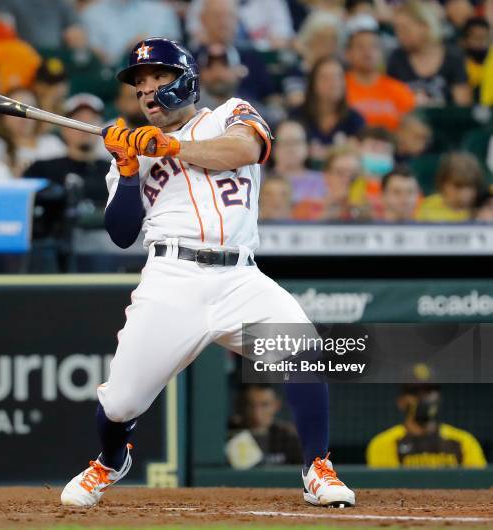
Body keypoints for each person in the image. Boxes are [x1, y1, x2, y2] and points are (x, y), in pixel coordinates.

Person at [60, 37, 355, 509]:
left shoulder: (230, 114)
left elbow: (243, 150)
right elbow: (120, 233)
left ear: (186, 80)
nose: (148, 93)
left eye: (159, 80)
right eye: (140, 87)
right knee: (119, 404)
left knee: (304, 349)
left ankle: (317, 467)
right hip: (172, 278)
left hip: (240, 276)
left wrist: (172, 145)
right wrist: (130, 169)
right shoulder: (135, 150)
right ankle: (111, 460)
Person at [23, 93, 110, 270]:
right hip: (53, 258)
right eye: (78, 121)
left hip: (107, 255)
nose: (85, 128)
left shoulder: (115, 170)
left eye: (92, 121)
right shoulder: (42, 169)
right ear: (64, 128)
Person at [366, 383, 487, 468]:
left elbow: (478, 486)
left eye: (429, 392)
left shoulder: (463, 440)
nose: (423, 398)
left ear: (439, 398)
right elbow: (388, 489)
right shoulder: (385, 442)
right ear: (401, 401)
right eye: (415, 392)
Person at [387, 0, 472, 107]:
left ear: (425, 27)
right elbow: (390, 102)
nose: (400, 35)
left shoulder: (453, 57)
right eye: (397, 30)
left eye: (405, 29)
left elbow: (462, 106)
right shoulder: (396, 58)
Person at [291, 56, 366, 166]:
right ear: (313, 83)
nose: (333, 83)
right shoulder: (297, 116)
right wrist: (338, 150)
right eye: (325, 78)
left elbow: (361, 154)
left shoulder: (355, 119)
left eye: (338, 77)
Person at [344, 17, 416, 131]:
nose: (367, 52)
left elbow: (412, 127)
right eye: (360, 46)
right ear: (347, 54)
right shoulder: (339, 88)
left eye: (374, 46)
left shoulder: (399, 90)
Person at [79, 0, 181, 66]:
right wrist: (127, 51)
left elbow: (177, 51)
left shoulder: (163, 11)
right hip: (113, 80)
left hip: (158, 72)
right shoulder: (91, 14)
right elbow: (95, 58)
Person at [0, 87, 66, 176]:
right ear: (3, 117)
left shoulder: (53, 143)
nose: (23, 118)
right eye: (14, 111)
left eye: (29, 110)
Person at [227, 384, 302, 466]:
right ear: (240, 406)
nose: (257, 414)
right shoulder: (229, 434)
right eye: (250, 405)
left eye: (264, 405)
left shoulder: (290, 437)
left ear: (276, 405)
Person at [292, 146, 367, 221]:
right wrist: (330, 208)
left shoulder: (372, 208)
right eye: (340, 172)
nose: (347, 178)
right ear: (327, 176)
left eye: (354, 173)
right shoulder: (307, 207)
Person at [0, 0, 86, 51]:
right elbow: (1, 28)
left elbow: (76, 33)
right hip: (21, 54)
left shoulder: (59, 3)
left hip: (56, 55)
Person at [416, 152, 485, 222]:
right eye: (458, 186)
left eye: (471, 186)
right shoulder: (428, 208)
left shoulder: (485, 208)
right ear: (443, 184)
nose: (465, 194)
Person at [269, 120, 325, 204]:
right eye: (285, 143)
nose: (291, 149)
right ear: (273, 149)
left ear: (307, 147)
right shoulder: (260, 179)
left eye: (296, 142)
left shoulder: (322, 181)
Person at [460, 17, 491, 100]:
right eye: (476, 38)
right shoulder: (458, 65)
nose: (482, 43)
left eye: (485, 38)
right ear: (464, 41)